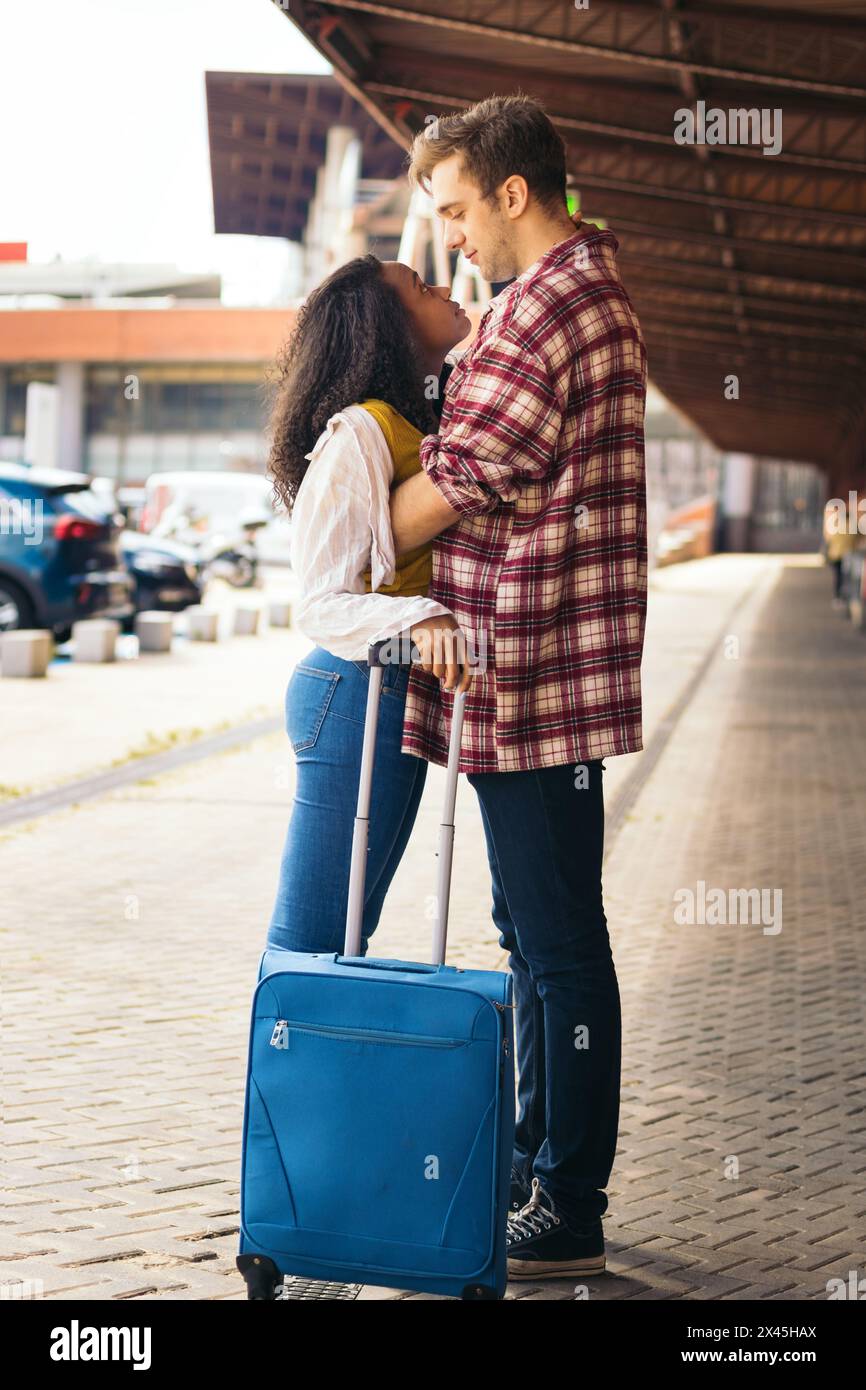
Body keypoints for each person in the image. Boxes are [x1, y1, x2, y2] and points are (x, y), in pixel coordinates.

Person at [387, 94, 649, 1279]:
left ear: (509, 192)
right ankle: (544, 1167)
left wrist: (337, 513)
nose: (449, 239)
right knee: (536, 935)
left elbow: (441, 488)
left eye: (453, 211)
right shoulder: (566, 292)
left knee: (554, 942)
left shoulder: (547, 309)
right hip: (539, 671)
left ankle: (569, 1200)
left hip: (535, 667)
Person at [265, 254, 472, 957]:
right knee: (316, 941)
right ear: (385, 326)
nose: (443, 288)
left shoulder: (422, 415)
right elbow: (320, 600)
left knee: (350, 934)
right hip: (352, 692)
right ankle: (281, 1065)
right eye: (421, 286)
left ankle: (313, 1066)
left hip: (386, 694)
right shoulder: (360, 430)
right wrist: (424, 617)